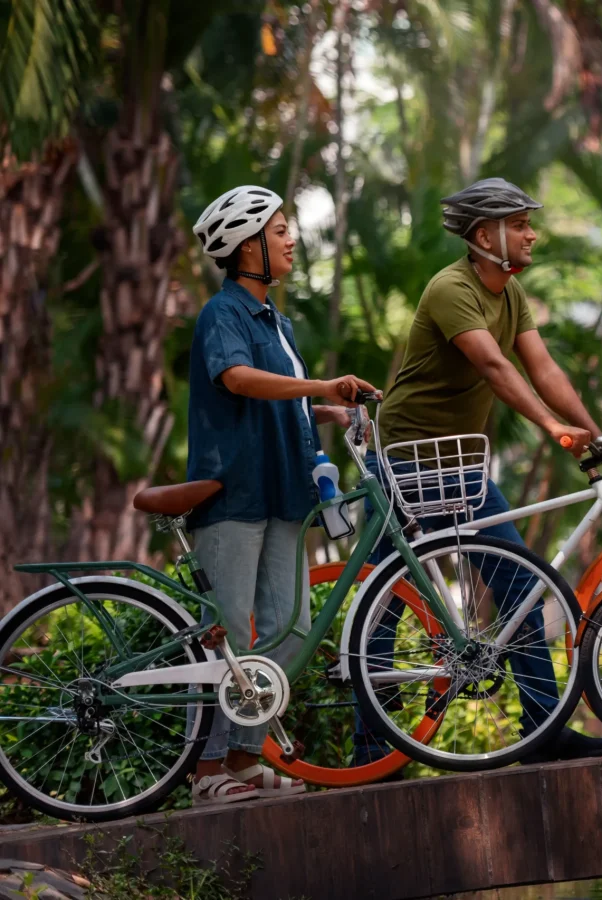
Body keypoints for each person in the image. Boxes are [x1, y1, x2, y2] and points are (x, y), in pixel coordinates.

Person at [353, 177, 602, 767]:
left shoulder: (511, 293)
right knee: (386, 600)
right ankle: (369, 750)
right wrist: (551, 428)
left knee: (519, 586)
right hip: (406, 458)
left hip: (458, 463)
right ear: (486, 236)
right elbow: (496, 368)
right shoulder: (451, 288)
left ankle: (543, 730)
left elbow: (543, 368)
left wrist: (591, 430)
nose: (533, 234)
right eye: (521, 224)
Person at [186, 185, 379, 804]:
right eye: (278, 231)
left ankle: (244, 759)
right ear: (247, 248)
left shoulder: (279, 321)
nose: (291, 240)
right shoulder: (224, 315)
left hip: (285, 490)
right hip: (235, 492)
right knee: (232, 639)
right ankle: (205, 772)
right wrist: (319, 383)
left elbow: (281, 404)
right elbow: (238, 379)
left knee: (291, 630)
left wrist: (327, 410)